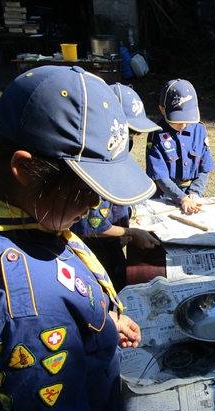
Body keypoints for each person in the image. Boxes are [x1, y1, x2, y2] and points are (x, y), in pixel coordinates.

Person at [0, 66, 215, 411]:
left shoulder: (33, 219)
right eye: (87, 188)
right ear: (24, 168)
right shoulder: (23, 297)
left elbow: (67, 274)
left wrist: (102, 321)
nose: (95, 205)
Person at [70, 83, 162, 292]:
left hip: (113, 243)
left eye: (132, 136)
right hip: (96, 254)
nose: (130, 141)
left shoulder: (116, 148)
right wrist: (130, 232)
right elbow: (92, 225)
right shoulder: (95, 164)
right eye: (128, 133)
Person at [145, 78, 215, 214]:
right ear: (162, 109)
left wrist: (195, 192)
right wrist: (181, 198)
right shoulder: (156, 135)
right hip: (165, 197)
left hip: (193, 197)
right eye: (177, 121)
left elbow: (205, 167)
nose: (183, 125)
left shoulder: (199, 129)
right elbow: (160, 176)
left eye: (187, 120)